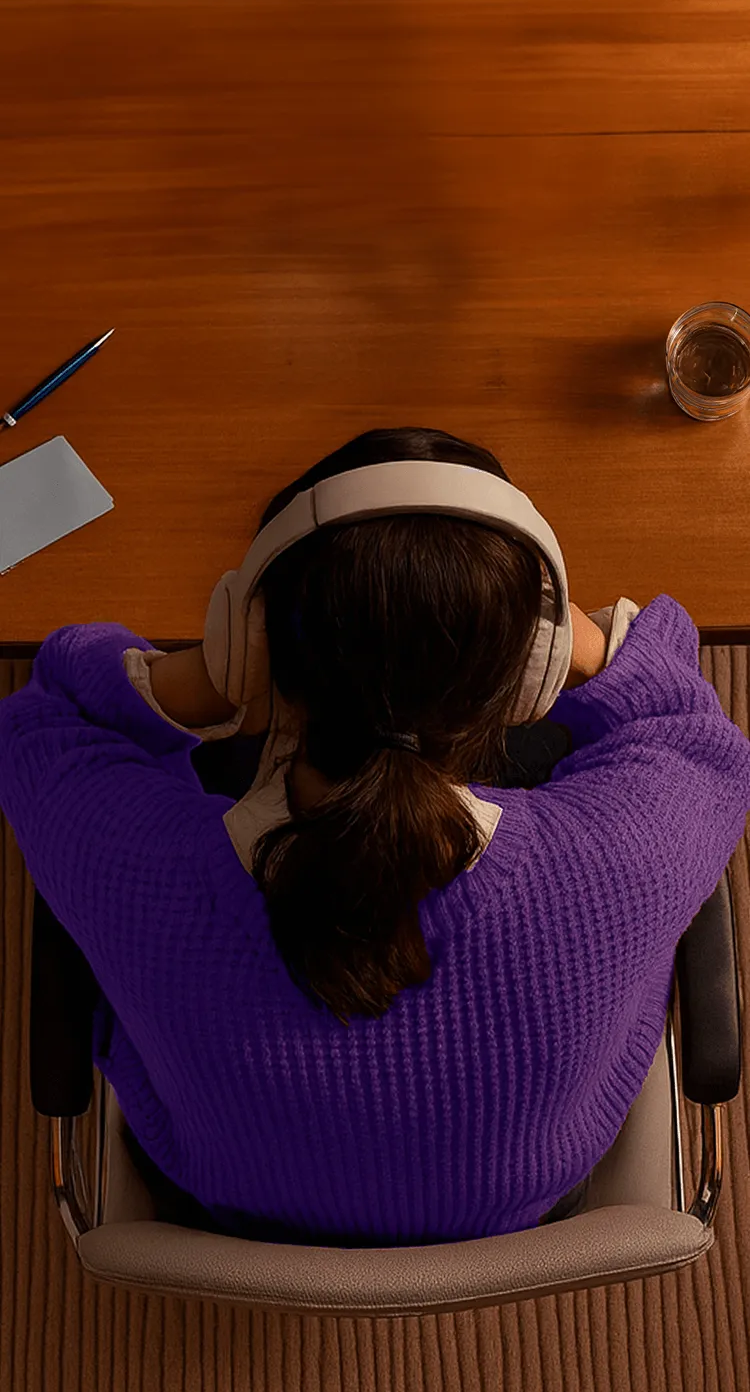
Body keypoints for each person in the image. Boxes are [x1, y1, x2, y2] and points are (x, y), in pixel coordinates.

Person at [4, 426, 749, 1244]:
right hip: (527, 1201)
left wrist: (194, 682)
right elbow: (684, 713)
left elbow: (41, 720)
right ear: (529, 667)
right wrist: (579, 644)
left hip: (225, 1197)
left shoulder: (134, 865)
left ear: (250, 653)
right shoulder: (629, 852)